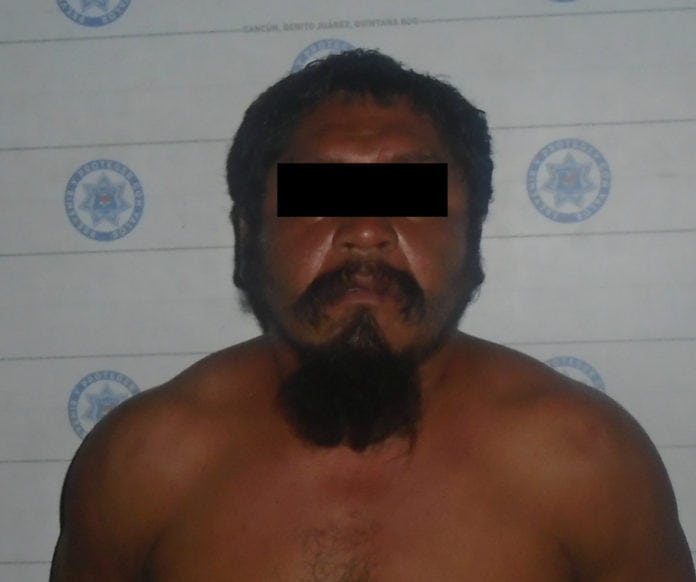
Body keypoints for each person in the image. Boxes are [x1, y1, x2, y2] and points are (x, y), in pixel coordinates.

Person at [50, 50, 695, 581]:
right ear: (248, 236)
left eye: (411, 194)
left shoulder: (587, 460)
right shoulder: (145, 462)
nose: (365, 230)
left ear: (472, 238)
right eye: (318, 193)